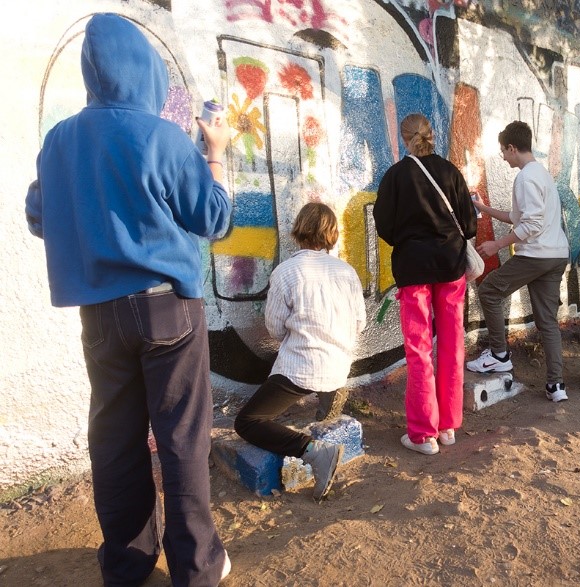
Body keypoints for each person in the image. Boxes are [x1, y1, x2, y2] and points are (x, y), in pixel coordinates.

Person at [24, 13, 232, 585]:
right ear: (146, 71)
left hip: (99, 316)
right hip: (167, 308)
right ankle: (196, 568)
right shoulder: (162, 136)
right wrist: (214, 154)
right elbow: (213, 218)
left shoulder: (59, 139)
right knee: (182, 441)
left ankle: (127, 564)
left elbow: (40, 218)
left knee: (114, 442)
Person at [234, 203, 364, 499]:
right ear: (332, 234)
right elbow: (360, 323)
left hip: (301, 370)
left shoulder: (286, 272)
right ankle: (327, 414)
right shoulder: (347, 271)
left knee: (248, 422)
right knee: (323, 384)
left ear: (299, 231)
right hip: (339, 366)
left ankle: (314, 451)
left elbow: (275, 329)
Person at [373, 113, 477, 455]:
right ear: (432, 136)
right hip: (450, 267)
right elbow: (469, 223)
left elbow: (385, 227)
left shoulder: (395, 176)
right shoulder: (450, 172)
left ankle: (422, 434)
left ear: (404, 139)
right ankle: (447, 427)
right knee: (452, 344)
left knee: (419, 350)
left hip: (413, 267)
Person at [466, 121, 570, 403]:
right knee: (547, 321)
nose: (502, 156)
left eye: (503, 151)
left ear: (513, 148)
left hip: (536, 255)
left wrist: (498, 244)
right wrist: (483, 209)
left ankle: (499, 355)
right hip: (555, 255)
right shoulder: (541, 174)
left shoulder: (525, 177)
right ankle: (556, 385)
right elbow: (518, 217)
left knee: (488, 290)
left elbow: (532, 224)